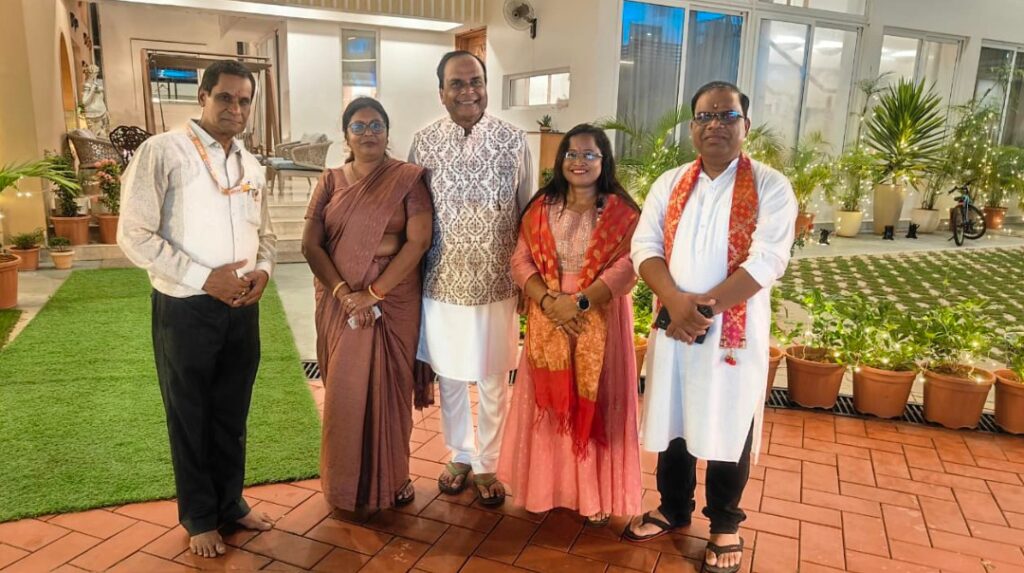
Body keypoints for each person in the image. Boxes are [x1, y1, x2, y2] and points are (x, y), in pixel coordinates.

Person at [626, 81, 797, 573]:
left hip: (731, 335)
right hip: (673, 326)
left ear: (746, 125)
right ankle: (673, 508)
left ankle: (725, 523)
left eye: (727, 116)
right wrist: (675, 303)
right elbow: (645, 247)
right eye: (705, 116)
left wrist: (699, 312)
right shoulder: (670, 182)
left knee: (729, 417)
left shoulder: (770, 186)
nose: (715, 125)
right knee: (673, 415)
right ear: (692, 127)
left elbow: (768, 260)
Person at [117, 60, 277, 558]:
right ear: (203, 97)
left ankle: (231, 502)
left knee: (232, 412)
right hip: (186, 306)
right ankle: (200, 517)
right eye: (225, 97)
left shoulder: (251, 165)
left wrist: (263, 271)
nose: (236, 108)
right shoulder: (163, 151)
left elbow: (266, 233)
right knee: (190, 414)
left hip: (242, 306)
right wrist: (204, 278)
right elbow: (134, 234)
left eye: (244, 100)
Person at [497, 124, 642, 526]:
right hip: (549, 314)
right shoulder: (542, 207)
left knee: (598, 401)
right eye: (571, 154)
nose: (579, 162)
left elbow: (630, 265)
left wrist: (579, 302)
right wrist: (548, 301)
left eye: (589, 154)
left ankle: (594, 495)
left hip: (601, 313)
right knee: (550, 403)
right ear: (560, 160)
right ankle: (548, 489)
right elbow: (519, 260)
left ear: (604, 161)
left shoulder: (622, 213)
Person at [408, 50, 532, 506]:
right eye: (457, 83)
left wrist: (528, 280)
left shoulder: (514, 140)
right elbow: (413, 213)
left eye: (476, 81)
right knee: (450, 376)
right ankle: (460, 454)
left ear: (486, 85)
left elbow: (528, 212)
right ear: (441, 92)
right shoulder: (423, 143)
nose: (468, 91)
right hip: (441, 282)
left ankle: (488, 462)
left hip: (499, 283)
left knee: (494, 377)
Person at [302, 97, 432, 512]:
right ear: (346, 136)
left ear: (388, 132)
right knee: (345, 389)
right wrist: (345, 293)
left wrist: (373, 293)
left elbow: (418, 241)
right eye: (358, 126)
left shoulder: (407, 179)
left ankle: (394, 478)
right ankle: (344, 486)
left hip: (393, 300)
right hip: (339, 302)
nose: (368, 133)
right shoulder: (330, 181)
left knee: (392, 391)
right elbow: (311, 245)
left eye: (376, 125)